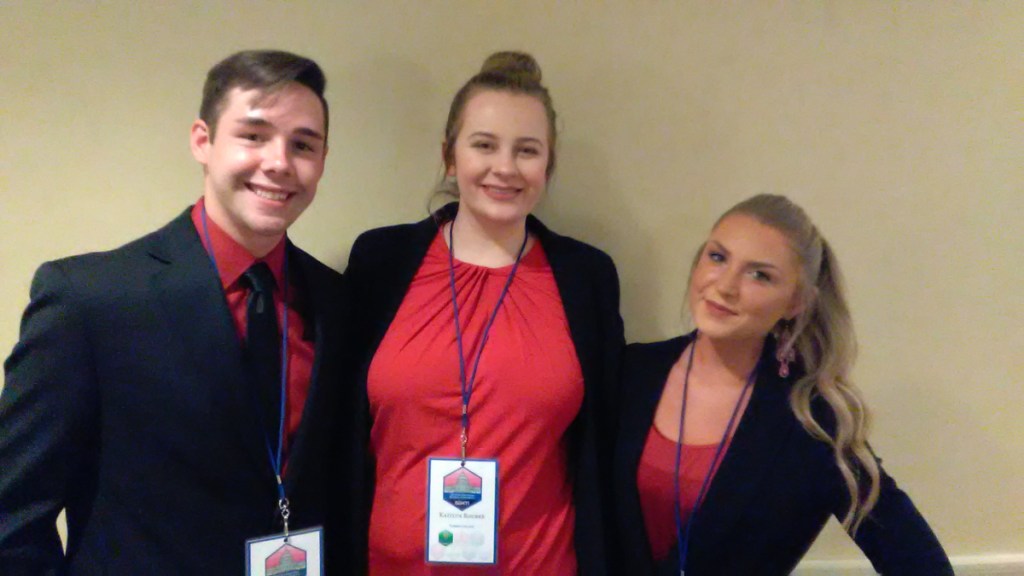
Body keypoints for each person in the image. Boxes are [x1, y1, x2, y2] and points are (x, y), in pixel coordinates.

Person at [0, 50, 352, 575]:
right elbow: (13, 515)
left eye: (303, 144)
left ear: (322, 161)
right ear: (203, 141)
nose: (279, 162)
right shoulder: (89, 300)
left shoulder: (337, 302)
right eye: (253, 136)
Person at [344, 51, 624, 575]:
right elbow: (341, 431)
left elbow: (604, 445)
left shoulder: (587, 278)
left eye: (527, 150)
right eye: (484, 145)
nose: (505, 167)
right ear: (450, 156)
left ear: (548, 165)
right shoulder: (379, 263)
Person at [613, 194, 953, 575]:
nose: (725, 285)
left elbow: (919, 562)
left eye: (760, 275)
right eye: (718, 257)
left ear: (796, 302)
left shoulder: (814, 419)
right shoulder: (629, 371)